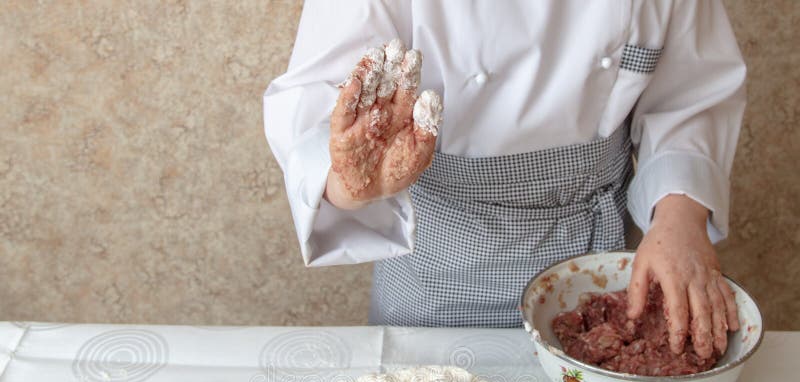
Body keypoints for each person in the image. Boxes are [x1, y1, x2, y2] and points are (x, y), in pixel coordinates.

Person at [264, 0, 746, 358]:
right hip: (438, 274)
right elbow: (316, 106)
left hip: (596, 268)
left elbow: (690, 99)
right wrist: (352, 179)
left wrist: (681, 216)